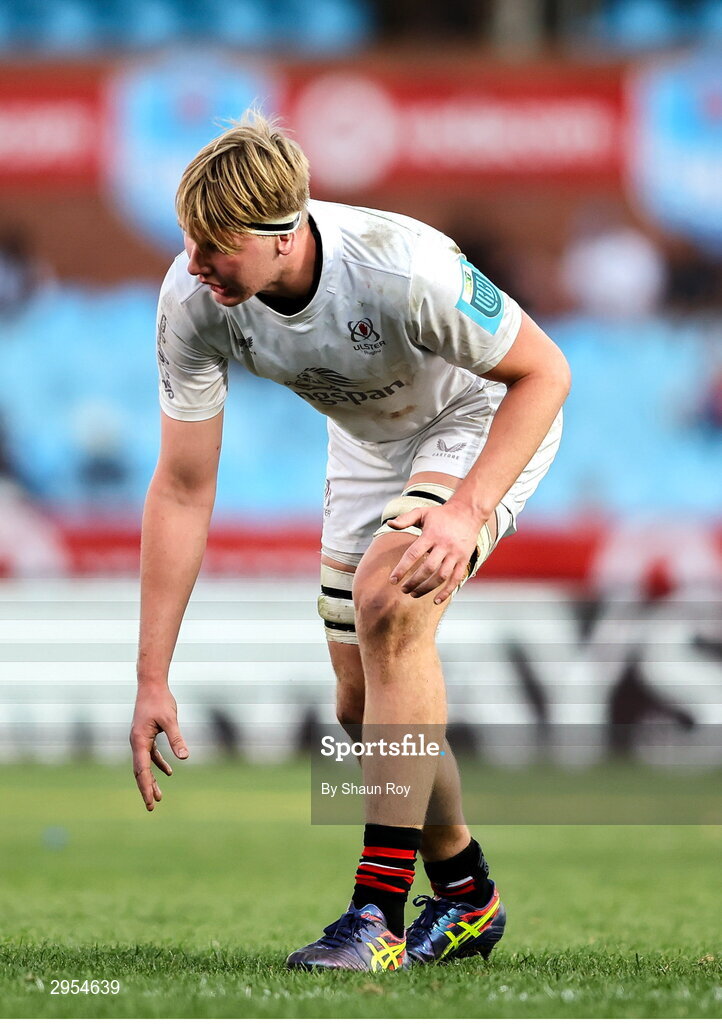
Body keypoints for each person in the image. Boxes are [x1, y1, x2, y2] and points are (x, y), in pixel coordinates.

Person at [130, 110, 570, 972]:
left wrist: (464, 510)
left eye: (215, 245)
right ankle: (468, 896)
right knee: (361, 707)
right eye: (189, 239)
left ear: (283, 233)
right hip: (370, 446)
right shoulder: (194, 299)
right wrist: (152, 676)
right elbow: (182, 486)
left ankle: (376, 918)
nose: (194, 263)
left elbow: (545, 372)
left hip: (476, 419)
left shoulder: (403, 267)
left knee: (388, 604)